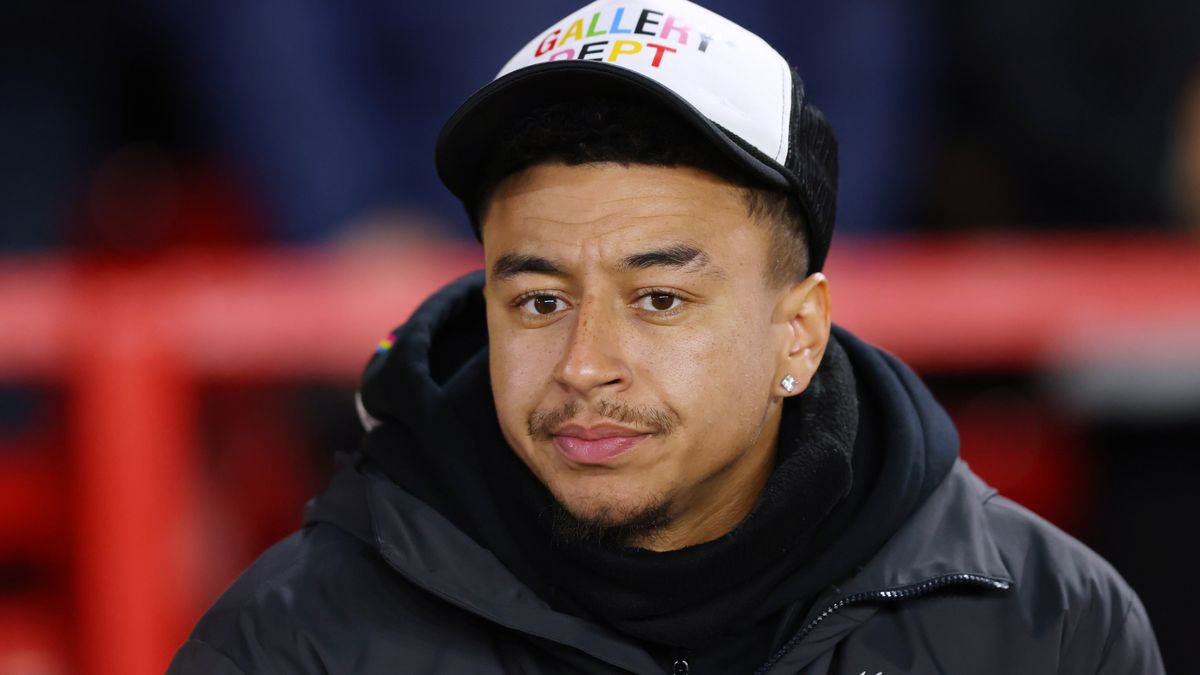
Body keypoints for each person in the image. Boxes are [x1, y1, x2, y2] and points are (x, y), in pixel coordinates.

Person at [168, 1, 1165, 672]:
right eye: (539, 302)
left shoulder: (1049, 625)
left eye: (658, 300)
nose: (585, 365)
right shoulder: (289, 640)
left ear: (799, 333)